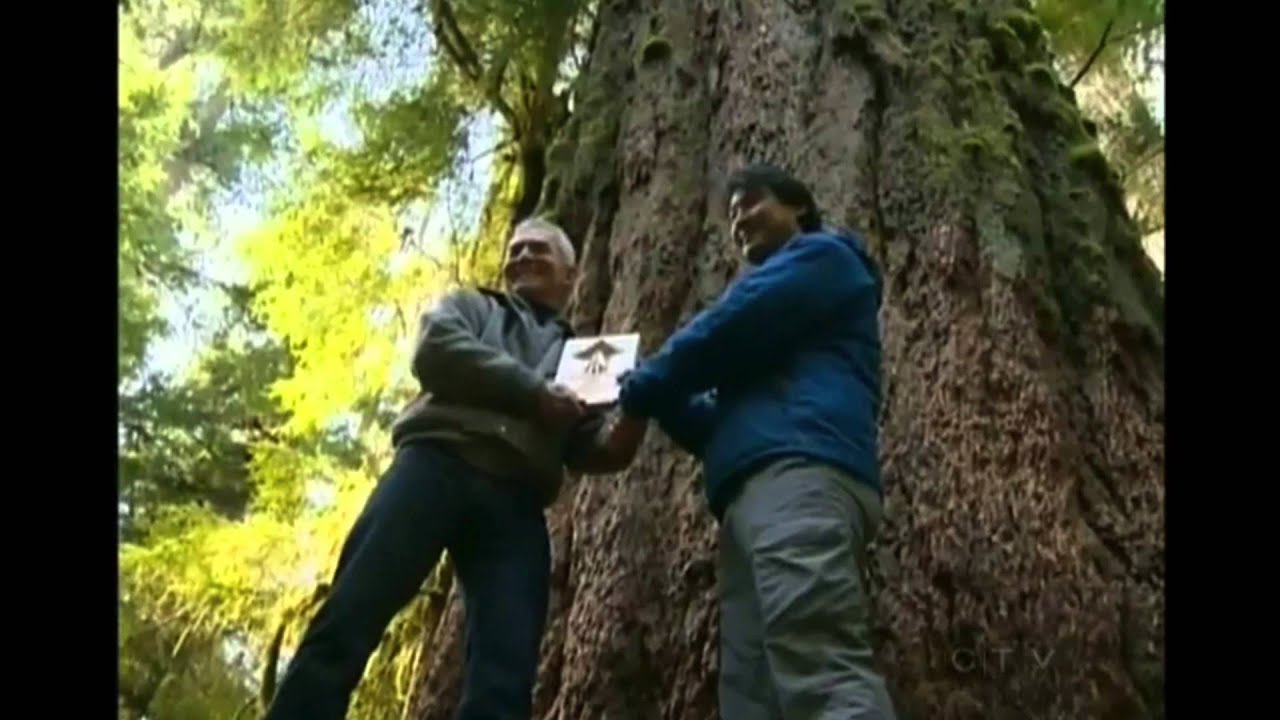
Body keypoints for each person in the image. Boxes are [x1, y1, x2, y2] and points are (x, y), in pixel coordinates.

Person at [265, 217, 647, 720]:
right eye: (515, 250)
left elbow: (589, 449)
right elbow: (436, 350)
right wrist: (534, 393)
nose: (522, 257)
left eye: (539, 251)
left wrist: (638, 410)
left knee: (506, 670)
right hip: (433, 467)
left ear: (571, 274)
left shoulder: (581, 358)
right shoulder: (472, 306)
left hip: (516, 501)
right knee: (351, 614)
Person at [617, 163, 897, 719]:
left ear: (799, 209)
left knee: (822, 674)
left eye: (751, 203)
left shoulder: (825, 258)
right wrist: (652, 392)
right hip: (756, 492)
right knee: (753, 693)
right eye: (730, 215)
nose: (739, 219)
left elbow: (734, 323)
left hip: (800, 475)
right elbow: (716, 427)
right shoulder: (769, 354)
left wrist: (651, 380)